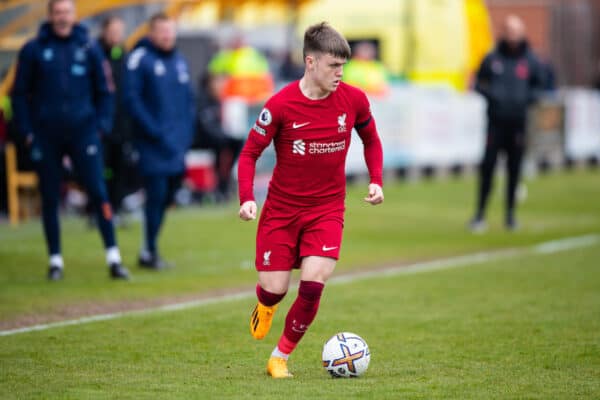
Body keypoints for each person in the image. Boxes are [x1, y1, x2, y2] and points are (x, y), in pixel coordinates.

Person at [237, 22, 384, 378]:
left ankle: (279, 358)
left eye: (343, 66)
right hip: (281, 211)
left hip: (327, 209)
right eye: (334, 66)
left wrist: (376, 180)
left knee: (314, 282)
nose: (340, 73)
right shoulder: (281, 104)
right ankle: (266, 303)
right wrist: (246, 198)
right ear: (310, 62)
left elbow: (371, 140)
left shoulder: (353, 99)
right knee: (275, 289)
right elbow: (249, 153)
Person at [11, 0, 129, 280]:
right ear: (50, 16)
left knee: (99, 193)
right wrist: (27, 132)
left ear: (74, 16)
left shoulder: (88, 48)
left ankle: (113, 258)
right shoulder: (33, 49)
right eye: (58, 12)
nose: (63, 17)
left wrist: (100, 127)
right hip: (46, 136)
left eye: (67, 12)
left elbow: (106, 92)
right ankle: (55, 261)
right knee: (51, 198)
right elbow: (18, 95)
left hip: (84, 134)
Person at [123, 13, 195, 270]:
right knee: (156, 195)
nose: (167, 36)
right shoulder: (140, 59)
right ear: (152, 33)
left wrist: (187, 135)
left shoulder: (179, 61)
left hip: (176, 144)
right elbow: (132, 100)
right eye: (162, 31)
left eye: (170, 31)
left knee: (169, 195)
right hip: (153, 144)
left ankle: (149, 248)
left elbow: (188, 102)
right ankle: (149, 251)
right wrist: (152, 131)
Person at [470, 15, 542, 232]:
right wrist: (493, 96)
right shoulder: (492, 58)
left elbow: (540, 86)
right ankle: (480, 215)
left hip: (518, 124)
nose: (512, 35)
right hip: (496, 123)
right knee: (488, 168)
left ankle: (510, 216)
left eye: (516, 30)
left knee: (514, 170)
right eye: (509, 30)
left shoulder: (530, 60)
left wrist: (525, 99)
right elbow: (478, 83)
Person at [96, 15, 139, 222]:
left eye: (119, 32)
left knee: (120, 167)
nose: (116, 36)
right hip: (101, 124)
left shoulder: (124, 55)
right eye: (113, 31)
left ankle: (116, 207)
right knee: (102, 169)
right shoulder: (95, 54)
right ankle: (99, 209)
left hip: (121, 124)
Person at [195, 72, 243, 202]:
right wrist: (223, 136)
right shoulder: (201, 100)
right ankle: (221, 185)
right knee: (222, 144)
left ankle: (225, 180)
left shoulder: (220, 100)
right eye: (218, 82)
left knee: (237, 142)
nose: (221, 86)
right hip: (197, 139)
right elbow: (205, 126)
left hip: (215, 138)